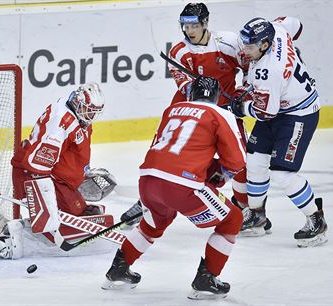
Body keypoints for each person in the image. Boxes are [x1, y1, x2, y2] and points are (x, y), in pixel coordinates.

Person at [102, 76, 245, 300]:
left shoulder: (173, 109)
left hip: (148, 179)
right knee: (232, 219)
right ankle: (206, 278)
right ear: (216, 97)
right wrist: (219, 174)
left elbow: (171, 148)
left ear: (191, 94)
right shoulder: (221, 114)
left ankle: (119, 268)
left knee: (153, 224)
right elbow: (236, 160)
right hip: (182, 185)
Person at [120, 3, 255, 229]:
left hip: (226, 111)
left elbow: (250, 68)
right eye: (185, 25)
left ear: (205, 23)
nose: (189, 30)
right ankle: (146, 202)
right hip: (187, 110)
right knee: (162, 154)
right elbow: (188, 88)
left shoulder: (229, 43)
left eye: (194, 25)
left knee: (241, 161)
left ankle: (246, 209)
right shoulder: (179, 52)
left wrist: (240, 94)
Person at [0, 82, 118, 259]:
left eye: (94, 111)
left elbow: (70, 153)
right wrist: (46, 205)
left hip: (55, 177)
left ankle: (60, 218)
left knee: (84, 216)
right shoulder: (60, 124)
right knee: (70, 222)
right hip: (34, 174)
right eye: (88, 110)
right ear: (78, 103)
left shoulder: (77, 114)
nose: (91, 115)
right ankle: (10, 236)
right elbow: (38, 166)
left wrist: (79, 175)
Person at [229, 17, 327, 247]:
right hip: (280, 105)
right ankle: (256, 215)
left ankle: (316, 220)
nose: (245, 50)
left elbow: (265, 113)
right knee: (254, 161)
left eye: (250, 46)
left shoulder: (270, 70)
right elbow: (298, 24)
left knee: (282, 174)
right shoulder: (278, 29)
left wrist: (240, 107)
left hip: (298, 114)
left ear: (264, 45)